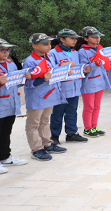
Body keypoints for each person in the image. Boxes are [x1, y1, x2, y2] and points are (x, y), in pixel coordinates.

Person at [23, 33, 67, 161]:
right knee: (33, 124)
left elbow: (55, 70)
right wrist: (42, 79)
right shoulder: (30, 60)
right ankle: (36, 149)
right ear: (34, 46)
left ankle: (47, 144)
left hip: (49, 95)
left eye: (49, 44)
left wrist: (64, 71)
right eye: (45, 44)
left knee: (45, 121)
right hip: (36, 97)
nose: (49, 46)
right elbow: (27, 81)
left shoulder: (49, 57)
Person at [49, 29, 91, 145]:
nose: (75, 41)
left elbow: (78, 68)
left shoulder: (75, 53)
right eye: (72, 38)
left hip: (74, 87)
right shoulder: (53, 53)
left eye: (76, 38)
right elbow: (51, 69)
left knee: (72, 111)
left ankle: (72, 133)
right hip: (60, 89)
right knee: (57, 113)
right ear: (62, 39)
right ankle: (54, 136)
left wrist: (84, 69)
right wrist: (61, 65)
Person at [0, 38, 29, 174]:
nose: (5, 52)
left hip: (10, 104)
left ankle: (5, 156)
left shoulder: (11, 64)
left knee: (6, 132)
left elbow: (16, 83)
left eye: (7, 49)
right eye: (1, 49)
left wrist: (24, 78)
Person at [76, 27, 111, 138]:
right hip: (89, 83)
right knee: (89, 106)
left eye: (98, 37)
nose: (97, 39)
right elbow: (82, 67)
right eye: (94, 37)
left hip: (100, 81)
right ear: (86, 38)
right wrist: (93, 64)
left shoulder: (99, 49)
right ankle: (87, 128)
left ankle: (94, 126)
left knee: (97, 106)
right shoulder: (82, 51)